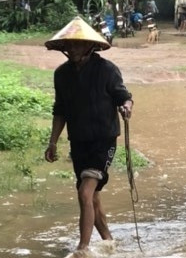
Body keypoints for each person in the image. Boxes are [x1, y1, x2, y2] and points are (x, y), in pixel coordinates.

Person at [44, 16, 134, 255]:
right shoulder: (61, 75)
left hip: (103, 141)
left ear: (89, 46)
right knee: (91, 198)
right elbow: (60, 110)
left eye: (77, 44)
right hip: (79, 142)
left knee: (85, 192)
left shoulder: (107, 70)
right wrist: (53, 141)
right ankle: (108, 241)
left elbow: (123, 96)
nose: (72, 48)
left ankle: (82, 249)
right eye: (69, 45)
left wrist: (127, 107)